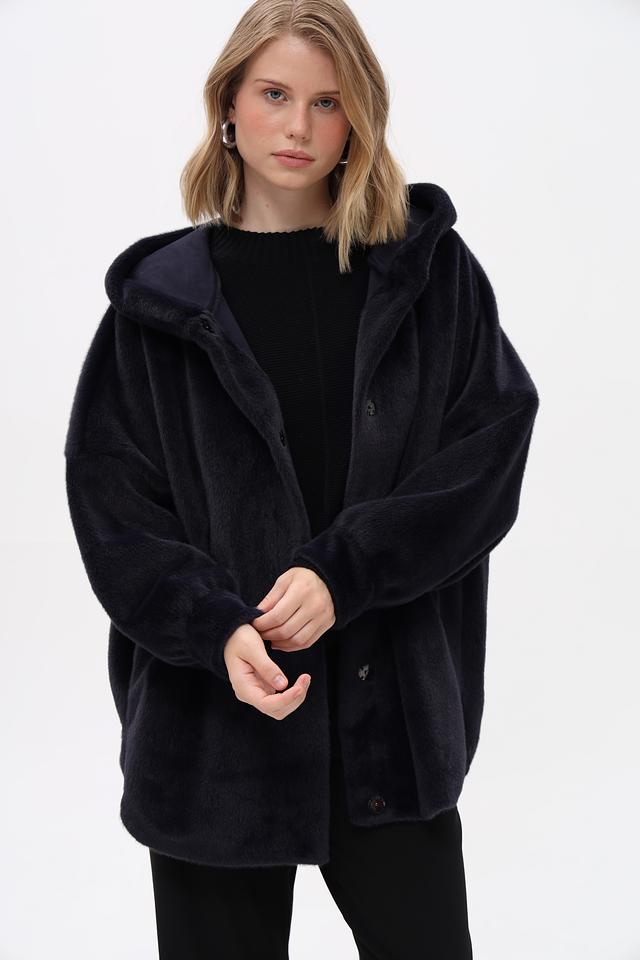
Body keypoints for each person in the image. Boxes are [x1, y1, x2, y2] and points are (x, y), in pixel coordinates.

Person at [64, 1, 540, 957]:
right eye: (275, 94)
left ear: (358, 118)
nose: (299, 126)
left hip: (390, 726)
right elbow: (115, 511)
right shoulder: (156, 309)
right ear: (228, 106)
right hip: (212, 735)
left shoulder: (429, 275)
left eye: (328, 102)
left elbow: (488, 451)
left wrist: (344, 571)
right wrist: (215, 626)